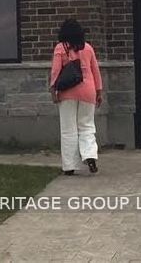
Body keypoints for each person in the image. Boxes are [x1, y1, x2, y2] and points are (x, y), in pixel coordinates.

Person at [50, 19, 103, 175]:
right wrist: (99, 91)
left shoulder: (61, 48)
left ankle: (70, 166)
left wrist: (53, 90)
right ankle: (90, 155)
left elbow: (55, 71)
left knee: (68, 129)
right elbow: (95, 71)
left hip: (68, 92)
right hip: (88, 91)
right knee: (87, 125)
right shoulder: (88, 48)